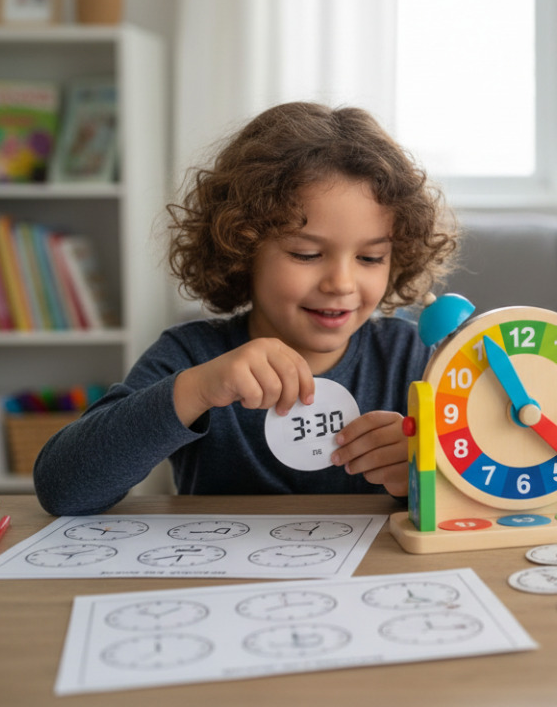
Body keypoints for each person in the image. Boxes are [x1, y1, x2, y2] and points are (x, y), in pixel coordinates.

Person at [34, 102, 457, 516]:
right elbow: (63, 490)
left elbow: (493, 487)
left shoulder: (414, 358)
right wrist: (197, 390)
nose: (342, 283)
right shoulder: (193, 356)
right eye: (306, 254)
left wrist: (430, 471)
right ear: (242, 248)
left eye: (370, 258)